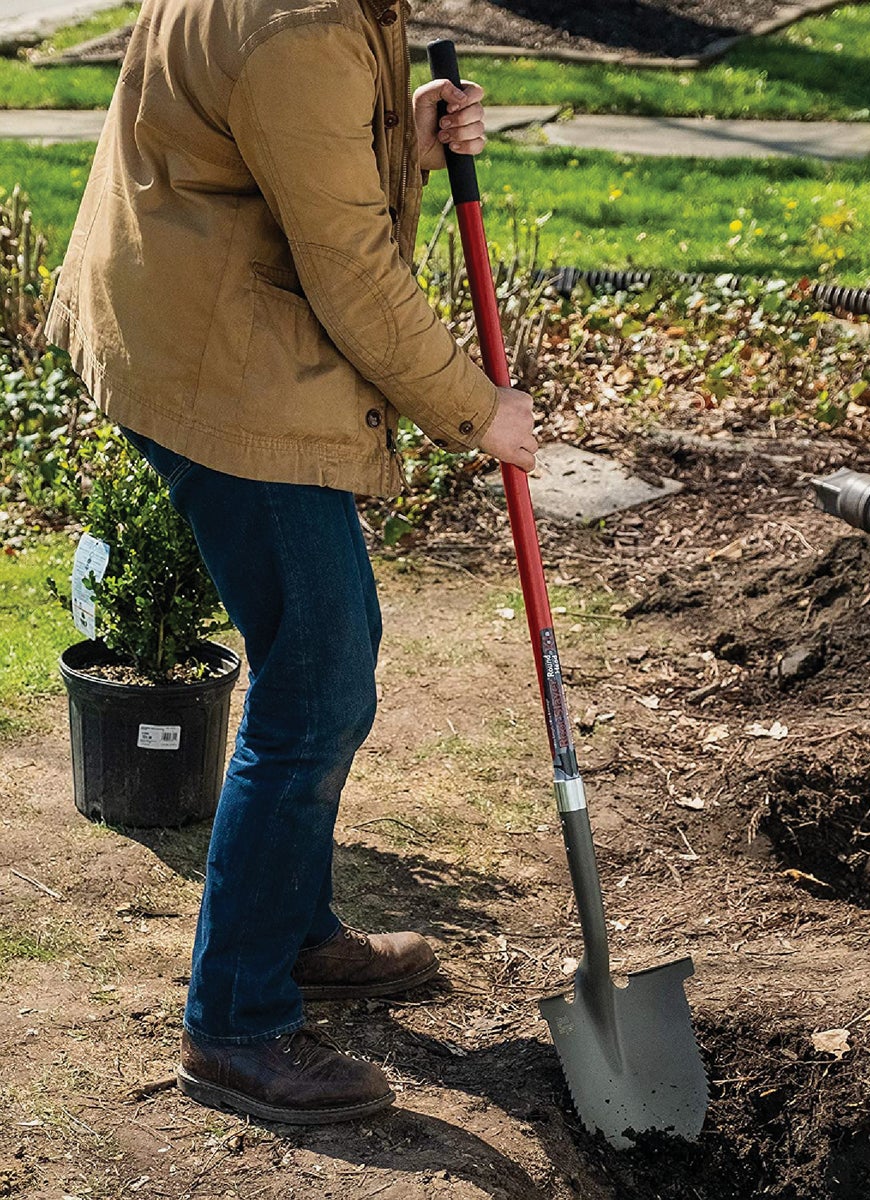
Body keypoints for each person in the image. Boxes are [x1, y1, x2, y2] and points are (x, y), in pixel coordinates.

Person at [47, 0, 537, 1125]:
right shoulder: (303, 29)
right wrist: (478, 412)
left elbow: (274, 148)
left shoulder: (335, 16)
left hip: (198, 311)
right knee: (316, 690)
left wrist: (398, 137)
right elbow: (354, 271)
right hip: (218, 361)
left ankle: (296, 931)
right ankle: (235, 1025)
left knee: (330, 650)